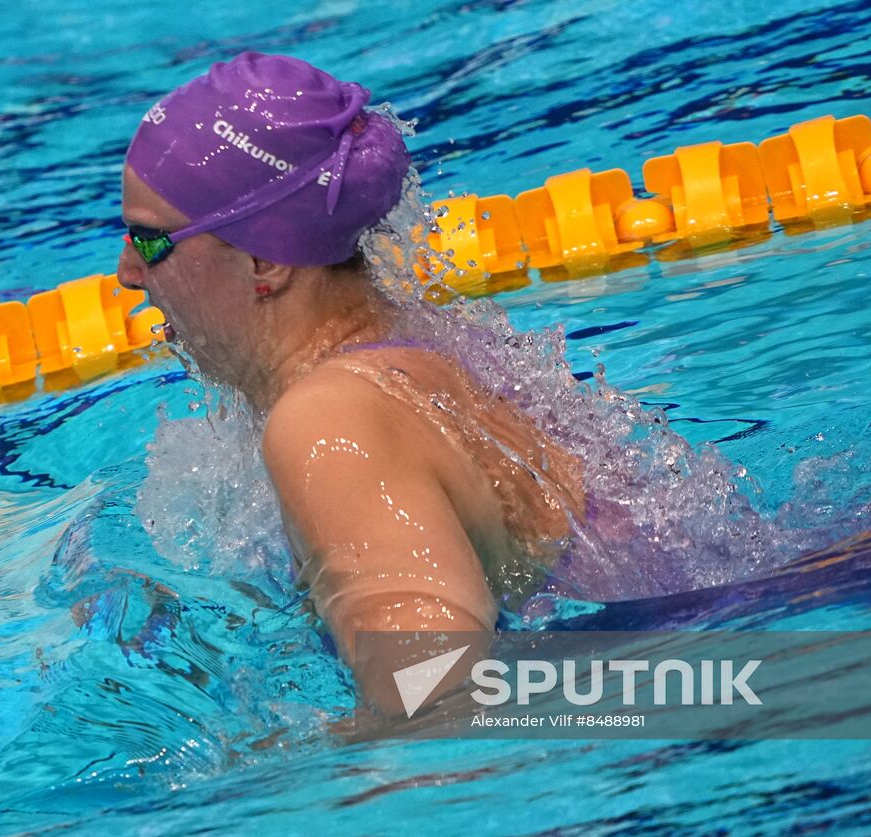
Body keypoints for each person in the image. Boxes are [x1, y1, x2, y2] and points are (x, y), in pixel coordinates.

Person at [117, 52, 585, 710]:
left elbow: (438, 707)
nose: (126, 273)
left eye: (150, 241)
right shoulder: (422, 350)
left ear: (264, 260)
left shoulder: (328, 421)